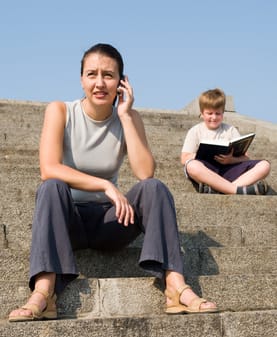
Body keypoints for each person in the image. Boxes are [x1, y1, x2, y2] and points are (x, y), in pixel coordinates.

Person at [8, 43, 217, 321]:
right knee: (51, 187)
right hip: (69, 221)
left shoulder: (129, 118)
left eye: (108, 75)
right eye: (91, 74)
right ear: (81, 79)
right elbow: (48, 168)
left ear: (121, 81)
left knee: (155, 189)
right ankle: (44, 292)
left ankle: (175, 286)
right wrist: (105, 185)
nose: (99, 82)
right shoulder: (60, 111)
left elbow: (145, 173)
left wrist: (125, 116)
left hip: (110, 221)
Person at [181, 88, 271, 194]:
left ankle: (222, 189)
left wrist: (231, 160)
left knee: (265, 165)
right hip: (208, 171)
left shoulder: (230, 130)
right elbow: (184, 158)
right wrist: (201, 154)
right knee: (191, 166)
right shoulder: (195, 131)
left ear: (223, 113)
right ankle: (235, 190)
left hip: (229, 170)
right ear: (202, 113)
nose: (214, 117)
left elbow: (246, 157)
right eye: (209, 113)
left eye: (218, 113)